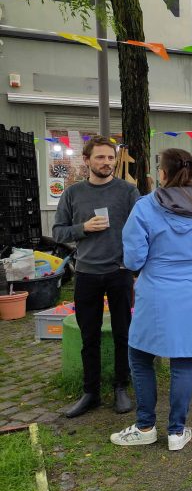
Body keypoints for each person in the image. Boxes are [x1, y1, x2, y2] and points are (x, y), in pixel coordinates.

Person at [111, 149, 192, 450]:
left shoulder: (145, 207)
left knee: (139, 356)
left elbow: (134, 258)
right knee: (183, 360)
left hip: (156, 292)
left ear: (162, 173)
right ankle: (177, 431)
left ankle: (145, 425)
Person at [52, 137, 140, 418]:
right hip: (87, 273)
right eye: (100, 158)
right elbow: (58, 233)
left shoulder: (128, 192)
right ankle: (90, 393)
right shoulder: (73, 194)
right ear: (87, 160)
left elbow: (142, 230)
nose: (107, 163)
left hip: (120, 272)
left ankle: (121, 388)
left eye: (111, 158)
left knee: (122, 333)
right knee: (89, 336)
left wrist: (136, 267)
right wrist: (83, 228)